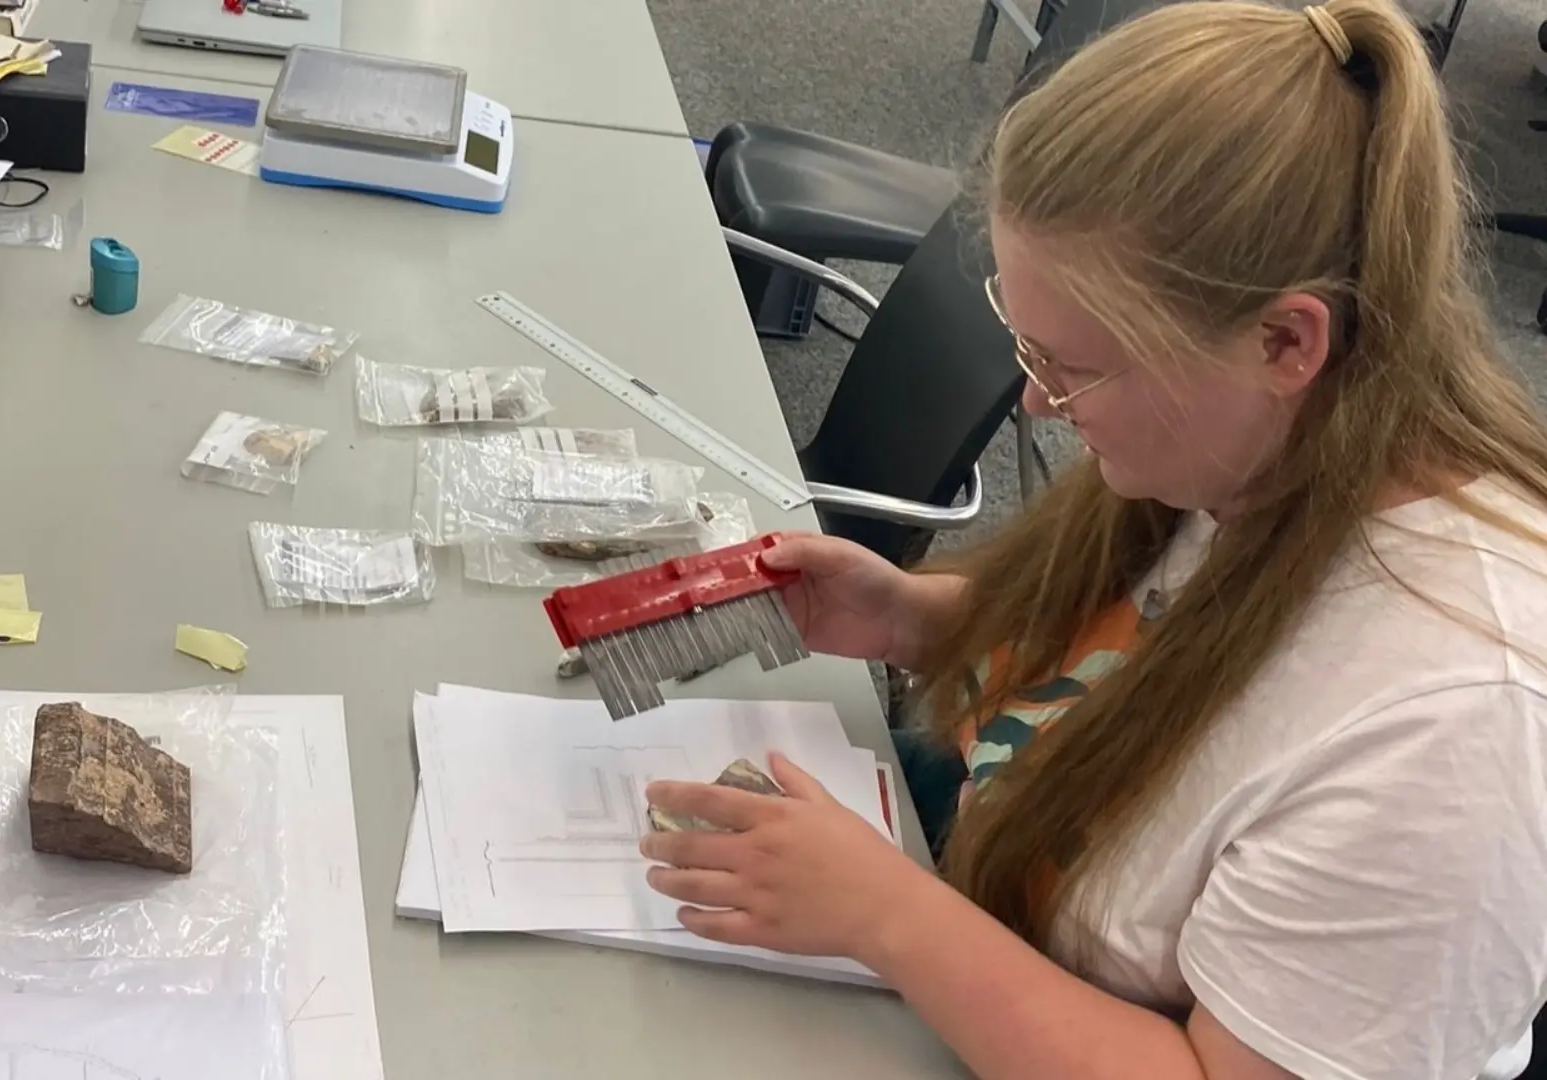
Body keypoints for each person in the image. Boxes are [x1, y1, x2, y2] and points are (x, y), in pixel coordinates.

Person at [637, 0, 1547, 1076]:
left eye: (1076, 365)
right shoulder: (1263, 452)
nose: (1035, 400)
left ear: (1286, 340)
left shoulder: (1457, 732)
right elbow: (1147, 663)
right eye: (1028, 342)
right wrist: (913, 617)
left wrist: (888, 916)